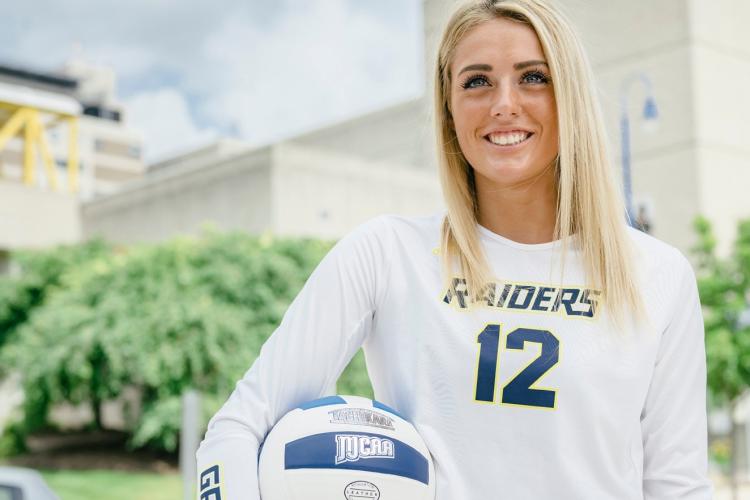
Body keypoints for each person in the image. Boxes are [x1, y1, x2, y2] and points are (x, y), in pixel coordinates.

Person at [196, 0, 713, 498]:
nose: (504, 103)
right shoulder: (387, 254)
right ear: (449, 107)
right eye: (477, 81)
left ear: (571, 96)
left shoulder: (657, 274)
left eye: (534, 77)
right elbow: (236, 430)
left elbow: (678, 487)